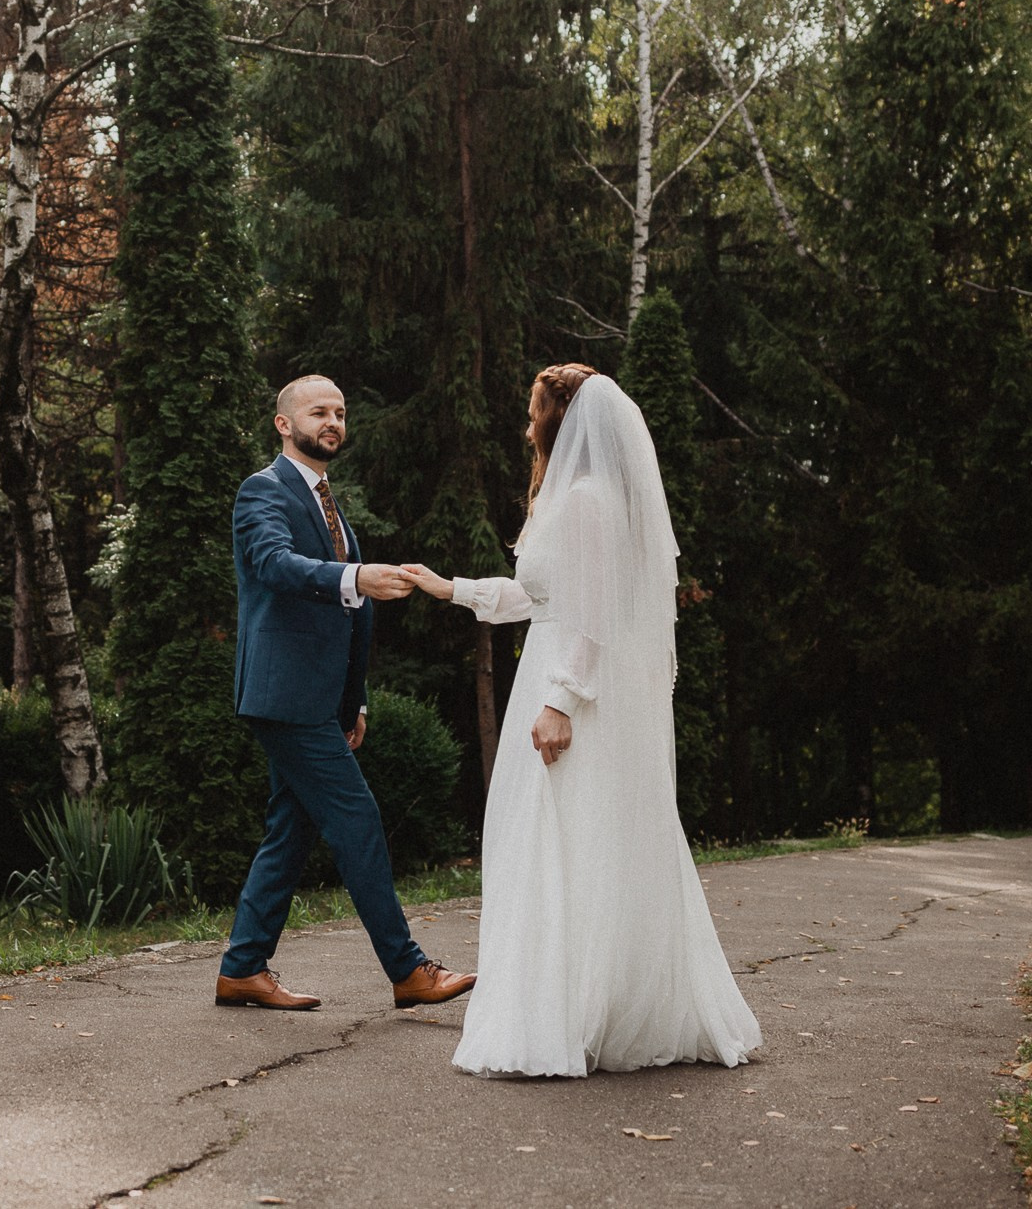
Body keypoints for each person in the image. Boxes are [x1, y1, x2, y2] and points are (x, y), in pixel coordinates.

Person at [401, 365, 760, 1074]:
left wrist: (561, 701)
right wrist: (450, 588)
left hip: (573, 687)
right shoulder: (569, 498)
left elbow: (595, 612)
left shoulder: (591, 501)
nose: (525, 426)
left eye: (532, 412)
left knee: (572, 838)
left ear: (559, 421)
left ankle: (576, 1014)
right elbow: (541, 597)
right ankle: (567, 1004)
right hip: (553, 667)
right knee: (557, 840)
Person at [216, 374, 477, 1012]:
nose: (333, 421)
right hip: (283, 695)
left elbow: (350, 616)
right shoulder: (263, 491)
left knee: (291, 830)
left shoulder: (330, 505)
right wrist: (355, 574)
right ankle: (408, 970)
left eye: (340, 411)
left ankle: (242, 968)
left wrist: (353, 699)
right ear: (284, 424)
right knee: (356, 820)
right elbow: (274, 564)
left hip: (318, 700)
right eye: (318, 412)